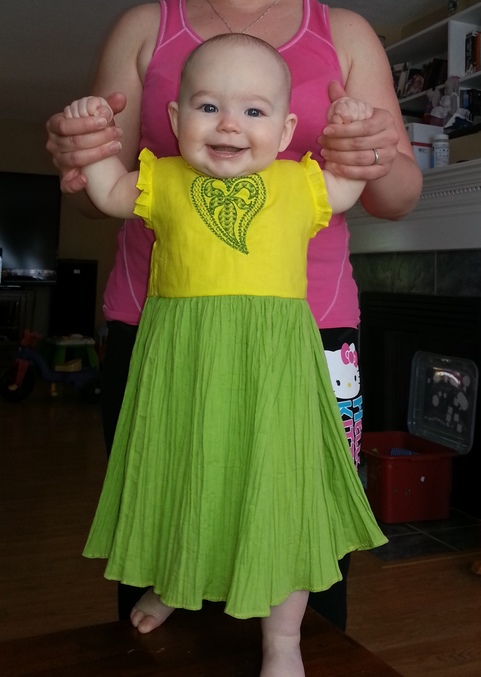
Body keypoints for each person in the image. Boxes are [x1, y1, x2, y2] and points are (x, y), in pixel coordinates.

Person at [46, 0, 423, 630]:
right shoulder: (149, 51)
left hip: (301, 343)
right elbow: (102, 190)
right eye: (207, 107)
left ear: (286, 129)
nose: (228, 125)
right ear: (177, 118)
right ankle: (171, 583)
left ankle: (286, 638)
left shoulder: (337, 63)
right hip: (169, 340)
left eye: (253, 111)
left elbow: (383, 191)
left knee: (292, 494)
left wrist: (363, 143)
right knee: (172, 475)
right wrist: (83, 142)